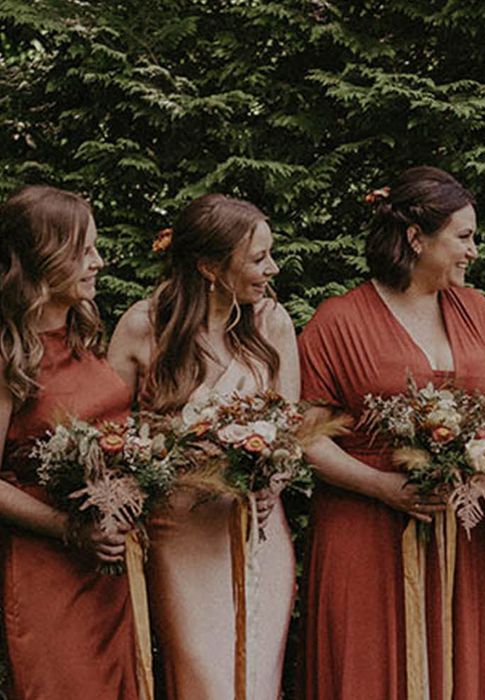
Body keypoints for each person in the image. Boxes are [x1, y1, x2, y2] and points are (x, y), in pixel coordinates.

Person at [297, 166, 485, 699]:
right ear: (416, 238)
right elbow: (306, 437)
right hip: (363, 527)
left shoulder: (476, 311)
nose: (474, 251)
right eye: (463, 237)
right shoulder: (338, 320)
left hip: (458, 530)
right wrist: (382, 485)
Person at [108, 193, 298, 700]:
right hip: (181, 535)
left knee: (260, 681)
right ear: (211, 266)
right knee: (205, 684)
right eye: (258, 259)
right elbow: (110, 439)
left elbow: (290, 431)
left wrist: (272, 481)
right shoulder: (144, 326)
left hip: (259, 532)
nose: (272, 269)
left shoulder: (273, 323)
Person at [0, 185, 139, 698]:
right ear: (43, 256)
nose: (98, 262)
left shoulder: (83, 337)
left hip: (111, 567)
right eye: (84, 251)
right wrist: (69, 529)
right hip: (49, 568)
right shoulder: (9, 355)